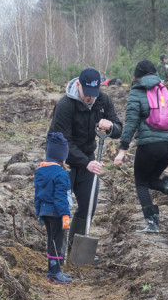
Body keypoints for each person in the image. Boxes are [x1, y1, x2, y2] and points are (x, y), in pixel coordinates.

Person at [46, 68, 122, 254]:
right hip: (61, 161)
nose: (90, 98)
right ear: (78, 85)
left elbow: (119, 128)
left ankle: (76, 251)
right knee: (59, 207)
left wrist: (111, 126)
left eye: (93, 94)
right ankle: (57, 252)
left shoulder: (103, 101)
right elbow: (62, 141)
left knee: (88, 205)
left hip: (88, 158)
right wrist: (85, 162)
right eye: (87, 94)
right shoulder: (65, 105)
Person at [113, 60, 168, 233]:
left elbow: (130, 123)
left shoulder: (137, 92)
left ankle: (152, 223)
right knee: (151, 179)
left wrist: (122, 150)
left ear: (137, 76)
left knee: (141, 182)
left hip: (150, 145)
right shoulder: (163, 89)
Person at [34, 132, 73, 284]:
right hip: (57, 213)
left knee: (51, 240)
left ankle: (51, 271)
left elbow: (38, 195)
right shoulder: (61, 174)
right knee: (57, 240)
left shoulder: (40, 172)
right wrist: (65, 215)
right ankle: (56, 272)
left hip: (45, 211)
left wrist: (39, 212)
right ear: (62, 156)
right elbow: (60, 197)